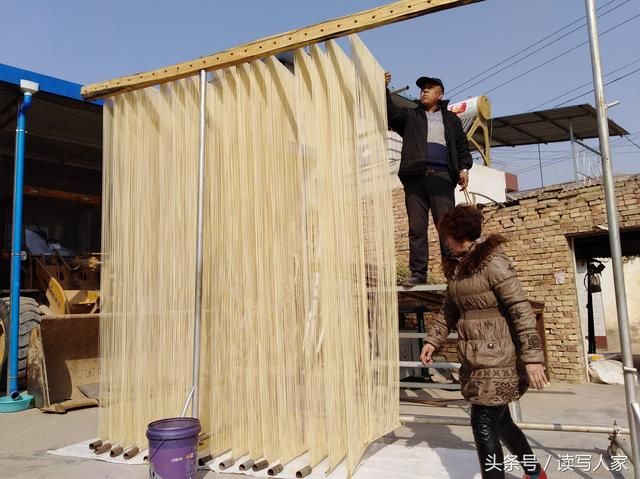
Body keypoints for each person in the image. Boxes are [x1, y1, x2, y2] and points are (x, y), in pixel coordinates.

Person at [420, 205, 549, 479]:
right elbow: (450, 309)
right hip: (475, 357)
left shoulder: (493, 263)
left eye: (446, 236)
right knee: (501, 422)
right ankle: (535, 473)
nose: (444, 242)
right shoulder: (457, 268)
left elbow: (520, 309)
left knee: (483, 422)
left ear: (458, 235)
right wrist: (433, 339)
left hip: (499, 357)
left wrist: (533, 358)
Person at [385, 72, 473, 287]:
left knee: (446, 228)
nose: (424, 90)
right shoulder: (411, 116)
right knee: (416, 229)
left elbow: (462, 145)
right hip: (415, 177)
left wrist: (464, 168)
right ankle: (418, 274)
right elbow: (390, 114)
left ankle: (453, 272)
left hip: (442, 178)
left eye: (429, 87)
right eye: (422, 88)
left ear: (440, 94)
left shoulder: (451, 119)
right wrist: (383, 88)